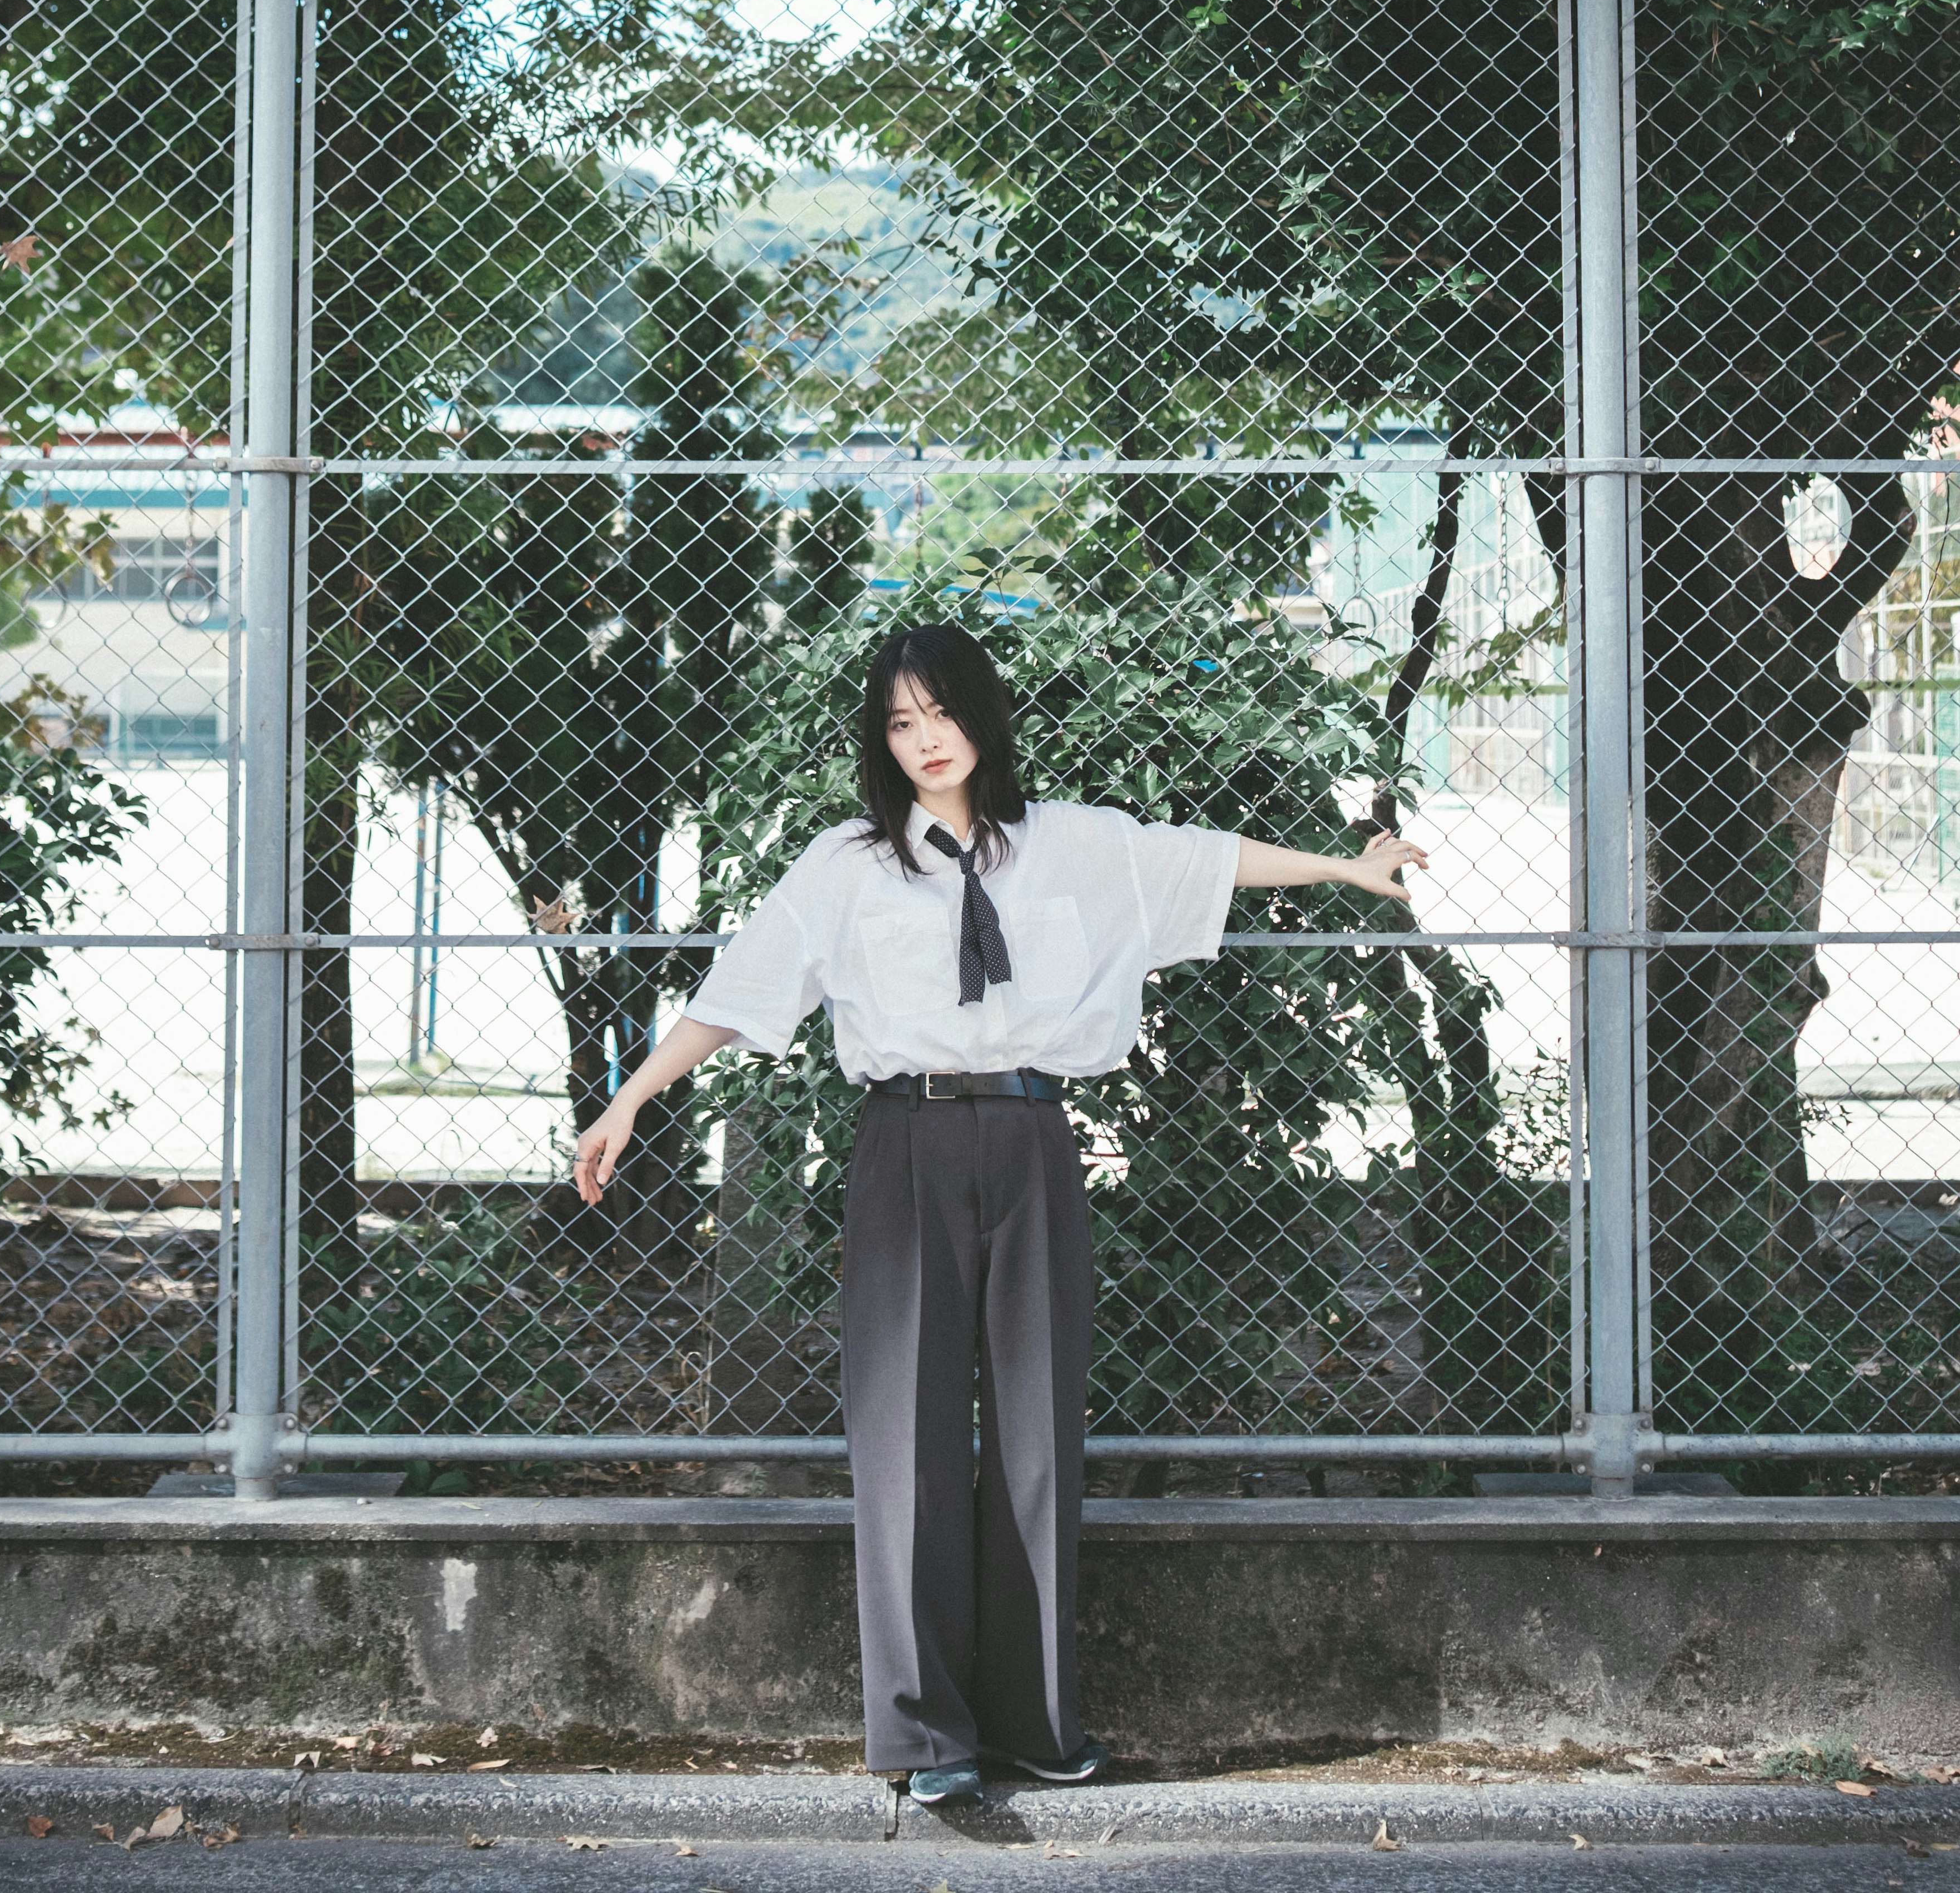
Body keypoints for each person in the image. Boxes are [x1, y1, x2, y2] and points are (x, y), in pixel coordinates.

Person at [572, 620, 1426, 1808]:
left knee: (1037, 1433)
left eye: (942, 715)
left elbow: (1202, 859)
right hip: (906, 1142)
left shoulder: (1068, 845)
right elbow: (742, 993)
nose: (925, 742)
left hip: (1030, 1141)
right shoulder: (847, 865)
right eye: (900, 724)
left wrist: (1346, 870)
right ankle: (925, 1736)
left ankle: (1034, 1723)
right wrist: (628, 1102)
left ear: (984, 715)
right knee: (907, 1436)